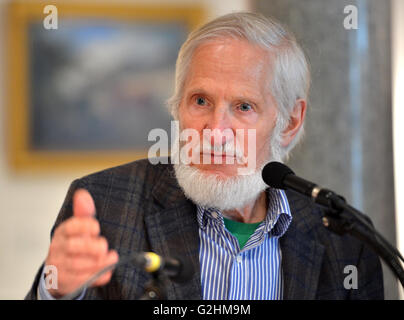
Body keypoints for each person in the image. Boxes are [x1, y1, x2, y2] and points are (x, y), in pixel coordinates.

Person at [26, 12, 383, 300]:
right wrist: (56, 291)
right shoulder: (104, 205)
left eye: (243, 107)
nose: (214, 132)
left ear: (289, 122)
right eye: (200, 101)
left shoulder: (346, 240)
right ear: (177, 105)